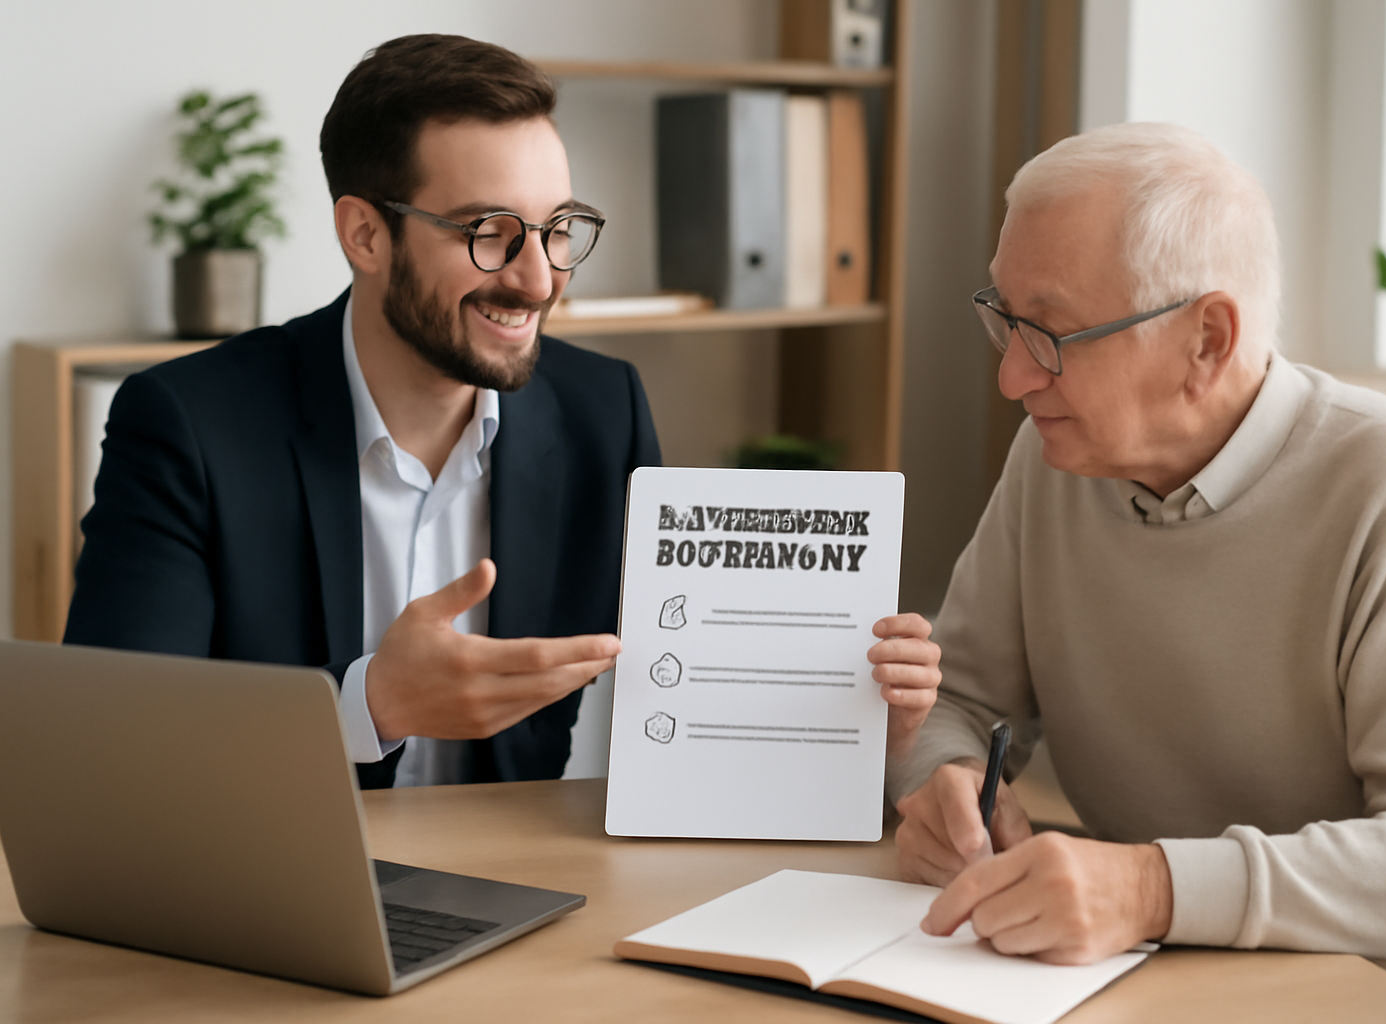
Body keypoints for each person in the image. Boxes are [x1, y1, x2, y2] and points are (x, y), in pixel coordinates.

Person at [65, 34, 941, 789]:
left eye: (558, 228)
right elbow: (116, 753)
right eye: (490, 231)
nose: (537, 278)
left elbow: (704, 692)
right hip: (265, 887)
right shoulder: (186, 423)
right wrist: (369, 705)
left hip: (511, 895)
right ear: (365, 234)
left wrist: (863, 712)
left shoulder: (606, 411)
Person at [890, 122, 1386, 966]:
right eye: (1004, 319)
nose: (1012, 377)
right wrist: (946, 780)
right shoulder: (1056, 458)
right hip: (1103, 970)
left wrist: (1150, 890)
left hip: (1336, 993)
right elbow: (962, 697)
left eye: (1049, 334)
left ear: (1208, 342)